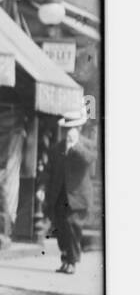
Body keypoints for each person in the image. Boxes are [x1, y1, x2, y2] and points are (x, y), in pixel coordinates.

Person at [44, 109, 97, 274]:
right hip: (59, 195)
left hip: (78, 197)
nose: (69, 132)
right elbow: (49, 170)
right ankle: (66, 259)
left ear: (79, 129)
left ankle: (72, 261)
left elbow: (88, 160)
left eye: (72, 128)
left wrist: (76, 146)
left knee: (73, 227)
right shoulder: (56, 148)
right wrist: (41, 188)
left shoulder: (88, 145)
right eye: (67, 128)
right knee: (61, 229)